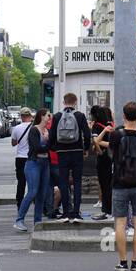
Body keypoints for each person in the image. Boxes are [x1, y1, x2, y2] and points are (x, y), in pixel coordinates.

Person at [101, 101, 136, 271]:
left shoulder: (115, 135)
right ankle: (135, 261)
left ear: (123, 115)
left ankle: (122, 261)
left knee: (120, 222)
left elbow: (110, 153)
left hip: (119, 182)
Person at [49, 93, 92, 222]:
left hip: (62, 152)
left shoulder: (57, 116)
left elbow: (51, 136)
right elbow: (87, 134)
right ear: (76, 102)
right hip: (77, 152)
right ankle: (76, 213)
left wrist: (55, 148)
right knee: (77, 182)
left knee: (63, 182)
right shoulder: (80, 116)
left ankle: (66, 213)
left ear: (63, 102)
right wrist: (85, 149)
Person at [15, 109, 50, 232]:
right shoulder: (34, 130)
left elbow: (53, 146)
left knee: (42, 194)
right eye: (47, 115)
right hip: (33, 163)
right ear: (42, 116)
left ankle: (38, 221)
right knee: (33, 191)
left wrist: (48, 143)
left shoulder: (47, 131)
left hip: (45, 163)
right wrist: (47, 142)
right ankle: (19, 220)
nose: (49, 118)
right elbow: (36, 148)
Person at [90, 105, 115, 221]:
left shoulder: (96, 126)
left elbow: (95, 142)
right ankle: (110, 210)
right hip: (111, 157)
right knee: (109, 184)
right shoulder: (110, 126)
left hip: (103, 158)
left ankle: (107, 210)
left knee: (104, 185)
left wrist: (99, 152)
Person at [10, 108, 34, 209]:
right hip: (31, 157)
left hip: (20, 158)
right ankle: (36, 202)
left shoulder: (16, 128)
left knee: (21, 182)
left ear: (21, 116)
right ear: (30, 116)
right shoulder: (34, 128)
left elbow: (13, 143)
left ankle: (20, 204)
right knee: (33, 182)